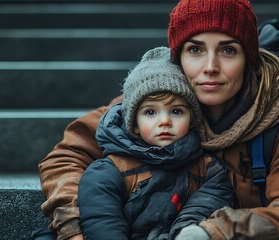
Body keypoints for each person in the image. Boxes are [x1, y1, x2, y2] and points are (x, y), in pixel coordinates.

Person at [37, 0, 279, 239]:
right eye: (195, 49)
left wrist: (218, 232)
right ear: (177, 57)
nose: (210, 66)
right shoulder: (152, 102)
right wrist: (74, 226)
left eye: (228, 51)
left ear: (248, 59)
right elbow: (66, 157)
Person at [77, 46, 235, 240]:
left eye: (176, 111)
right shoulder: (109, 170)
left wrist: (183, 234)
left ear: (192, 119)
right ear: (134, 124)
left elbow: (205, 206)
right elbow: (102, 220)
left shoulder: (209, 170)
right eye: (150, 112)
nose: (165, 121)